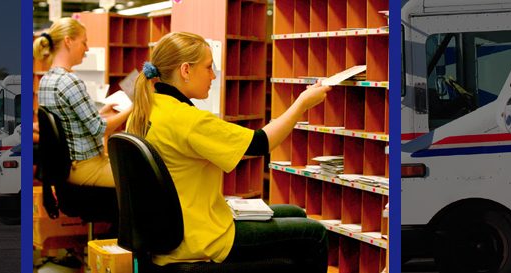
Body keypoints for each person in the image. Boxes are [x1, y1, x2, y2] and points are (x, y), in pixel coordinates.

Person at [126, 32, 332, 270]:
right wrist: (301, 104)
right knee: (315, 235)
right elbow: (259, 144)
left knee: (293, 212)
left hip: (169, 232)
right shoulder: (188, 120)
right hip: (200, 238)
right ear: (185, 70)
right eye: (208, 67)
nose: (213, 76)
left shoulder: (145, 111)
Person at [34, 18, 131, 188]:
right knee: (144, 178)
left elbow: (69, 123)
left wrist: (101, 114)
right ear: (68, 41)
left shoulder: (46, 80)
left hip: (69, 167)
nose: (86, 49)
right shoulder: (70, 81)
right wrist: (133, 108)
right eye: (84, 42)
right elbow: (101, 129)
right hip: (87, 167)